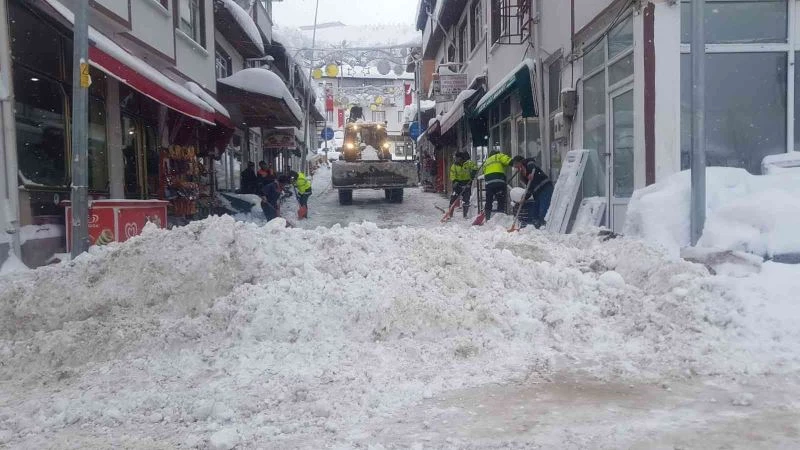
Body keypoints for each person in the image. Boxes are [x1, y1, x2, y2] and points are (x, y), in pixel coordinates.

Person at [511, 155, 554, 228]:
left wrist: (531, 172)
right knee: (535, 212)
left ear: (520, 162)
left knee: (543, 210)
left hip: (545, 188)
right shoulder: (522, 174)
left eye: (516, 164)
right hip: (537, 193)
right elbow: (529, 188)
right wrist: (524, 198)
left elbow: (532, 163)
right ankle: (537, 227)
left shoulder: (528, 163)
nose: (515, 167)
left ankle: (544, 226)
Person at [481, 150, 512, 221]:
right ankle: (500, 217)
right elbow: (507, 161)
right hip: (499, 181)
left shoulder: (486, 161)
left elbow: (484, 171)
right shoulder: (498, 156)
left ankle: (487, 218)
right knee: (500, 200)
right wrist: (516, 164)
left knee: (489, 200)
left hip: (489, 184)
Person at [448, 151, 478, 218]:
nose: (456, 159)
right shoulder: (454, 166)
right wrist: (455, 181)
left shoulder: (468, 163)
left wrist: (473, 173)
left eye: (457, 158)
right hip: (457, 183)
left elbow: (475, 167)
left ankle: (465, 214)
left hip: (467, 183)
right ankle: (450, 214)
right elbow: (452, 174)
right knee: (453, 199)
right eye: (456, 158)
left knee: (466, 199)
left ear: (461, 158)